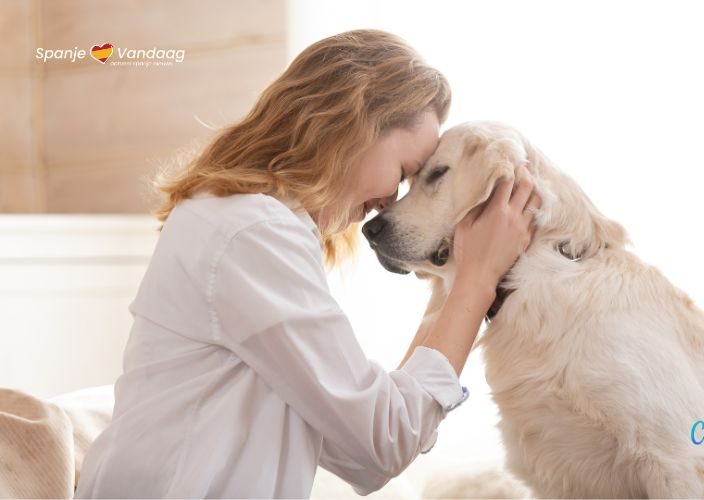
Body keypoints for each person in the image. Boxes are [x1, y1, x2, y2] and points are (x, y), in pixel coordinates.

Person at [75, 29, 538, 498]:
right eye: (403, 173)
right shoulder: (251, 231)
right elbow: (382, 443)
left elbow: (359, 443)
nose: (389, 203)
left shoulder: (241, 220)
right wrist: (476, 283)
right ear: (353, 125)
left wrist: (458, 276)